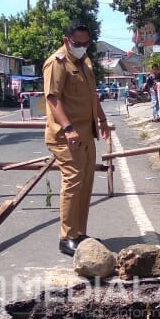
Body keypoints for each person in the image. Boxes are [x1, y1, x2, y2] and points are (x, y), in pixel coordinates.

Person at [44, 21, 110, 256]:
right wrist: (68, 127)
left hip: (86, 134)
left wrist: (101, 119)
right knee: (72, 182)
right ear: (66, 41)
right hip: (66, 136)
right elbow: (52, 98)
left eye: (86, 43)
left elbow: (92, 96)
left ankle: (80, 233)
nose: (82, 47)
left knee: (85, 184)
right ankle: (67, 237)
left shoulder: (85, 63)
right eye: (77, 43)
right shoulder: (57, 63)